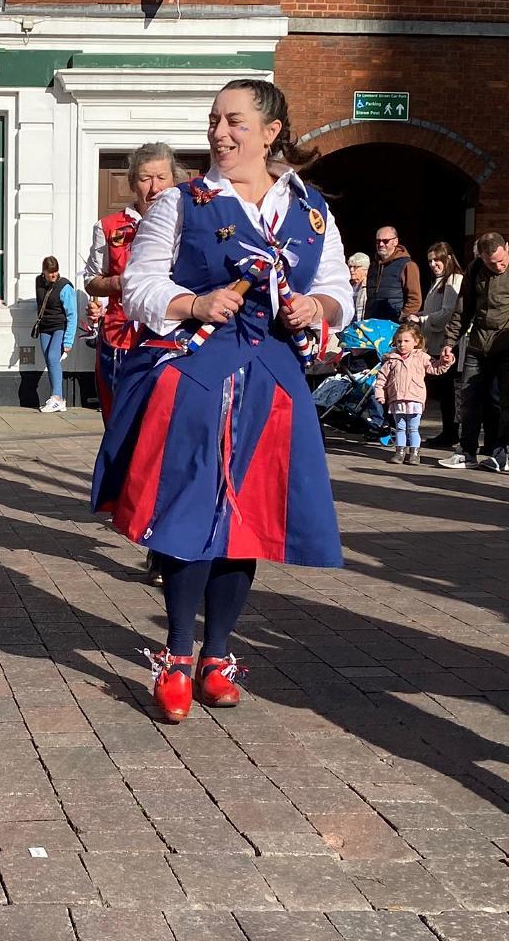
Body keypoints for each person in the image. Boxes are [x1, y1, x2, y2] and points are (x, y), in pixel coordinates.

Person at [92, 78, 353, 723]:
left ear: (271, 132)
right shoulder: (182, 203)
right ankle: (178, 652)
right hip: (197, 380)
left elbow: (340, 293)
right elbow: (141, 288)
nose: (219, 132)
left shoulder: (312, 211)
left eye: (234, 121)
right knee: (190, 516)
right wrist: (196, 303)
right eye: (213, 121)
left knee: (248, 523)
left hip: (273, 381)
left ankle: (218, 654)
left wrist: (314, 307)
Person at [438, 233, 509, 472]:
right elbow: (463, 308)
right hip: (479, 343)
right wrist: (449, 342)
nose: (497, 266)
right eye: (491, 263)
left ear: (507, 248)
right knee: (469, 400)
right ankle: (467, 452)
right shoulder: (475, 268)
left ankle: (502, 453)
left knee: (508, 401)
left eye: (501, 261)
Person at [84, 143, 181, 421]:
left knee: (163, 425)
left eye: (162, 178)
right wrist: (121, 283)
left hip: (172, 338)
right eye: (145, 179)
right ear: (131, 183)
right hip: (121, 339)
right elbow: (91, 280)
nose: (155, 188)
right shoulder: (109, 226)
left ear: (173, 179)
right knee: (120, 423)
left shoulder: (189, 225)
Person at [371, 323, 453, 465]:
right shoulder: (391, 359)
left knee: (413, 428)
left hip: (415, 399)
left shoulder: (422, 357)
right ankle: (400, 452)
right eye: (399, 341)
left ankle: (414, 453)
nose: (402, 344)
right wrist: (380, 394)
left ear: (416, 342)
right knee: (400, 428)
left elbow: (436, 368)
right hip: (397, 399)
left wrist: (445, 362)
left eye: (406, 341)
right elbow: (381, 378)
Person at [418, 242, 463, 448]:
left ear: (448, 259)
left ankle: (451, 433)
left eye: (438, 260)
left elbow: (447, 313)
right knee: (444, 392)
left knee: (448, 393)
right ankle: (448, 432)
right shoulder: (439, 281)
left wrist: (421, 320)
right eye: (430, 261)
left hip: (447, 343)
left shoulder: (454, 279)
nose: (433, 264)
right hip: (434, 343)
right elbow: (433, 310)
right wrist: (416, 316)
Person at [35, 255, 77, 413]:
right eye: (50, 272)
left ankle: (57, 397)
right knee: (49, 360)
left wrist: (68, 342)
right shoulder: (39, 282)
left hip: (60, 326)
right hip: (44, 327)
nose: (53, 275)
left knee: (53, 358)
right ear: (44, 272)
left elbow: (72, 315)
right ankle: (56, 398)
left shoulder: (65, 287)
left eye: (55, 272)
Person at [368, 226, 421, 322]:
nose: (381, 244)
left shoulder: (407, 265)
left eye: (385, 241)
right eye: (378, 241)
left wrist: (403, 317)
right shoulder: (373, 266)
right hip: (372, 326)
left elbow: (415, 299)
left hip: (394, 325)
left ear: (395, 242)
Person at [346, 253, 370, 326]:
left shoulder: (368, 287)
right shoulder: (348, 286)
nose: (351, 270)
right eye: (350, 266)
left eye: (355, 267)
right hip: (347, 328)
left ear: (365, 269)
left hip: (362, 328)